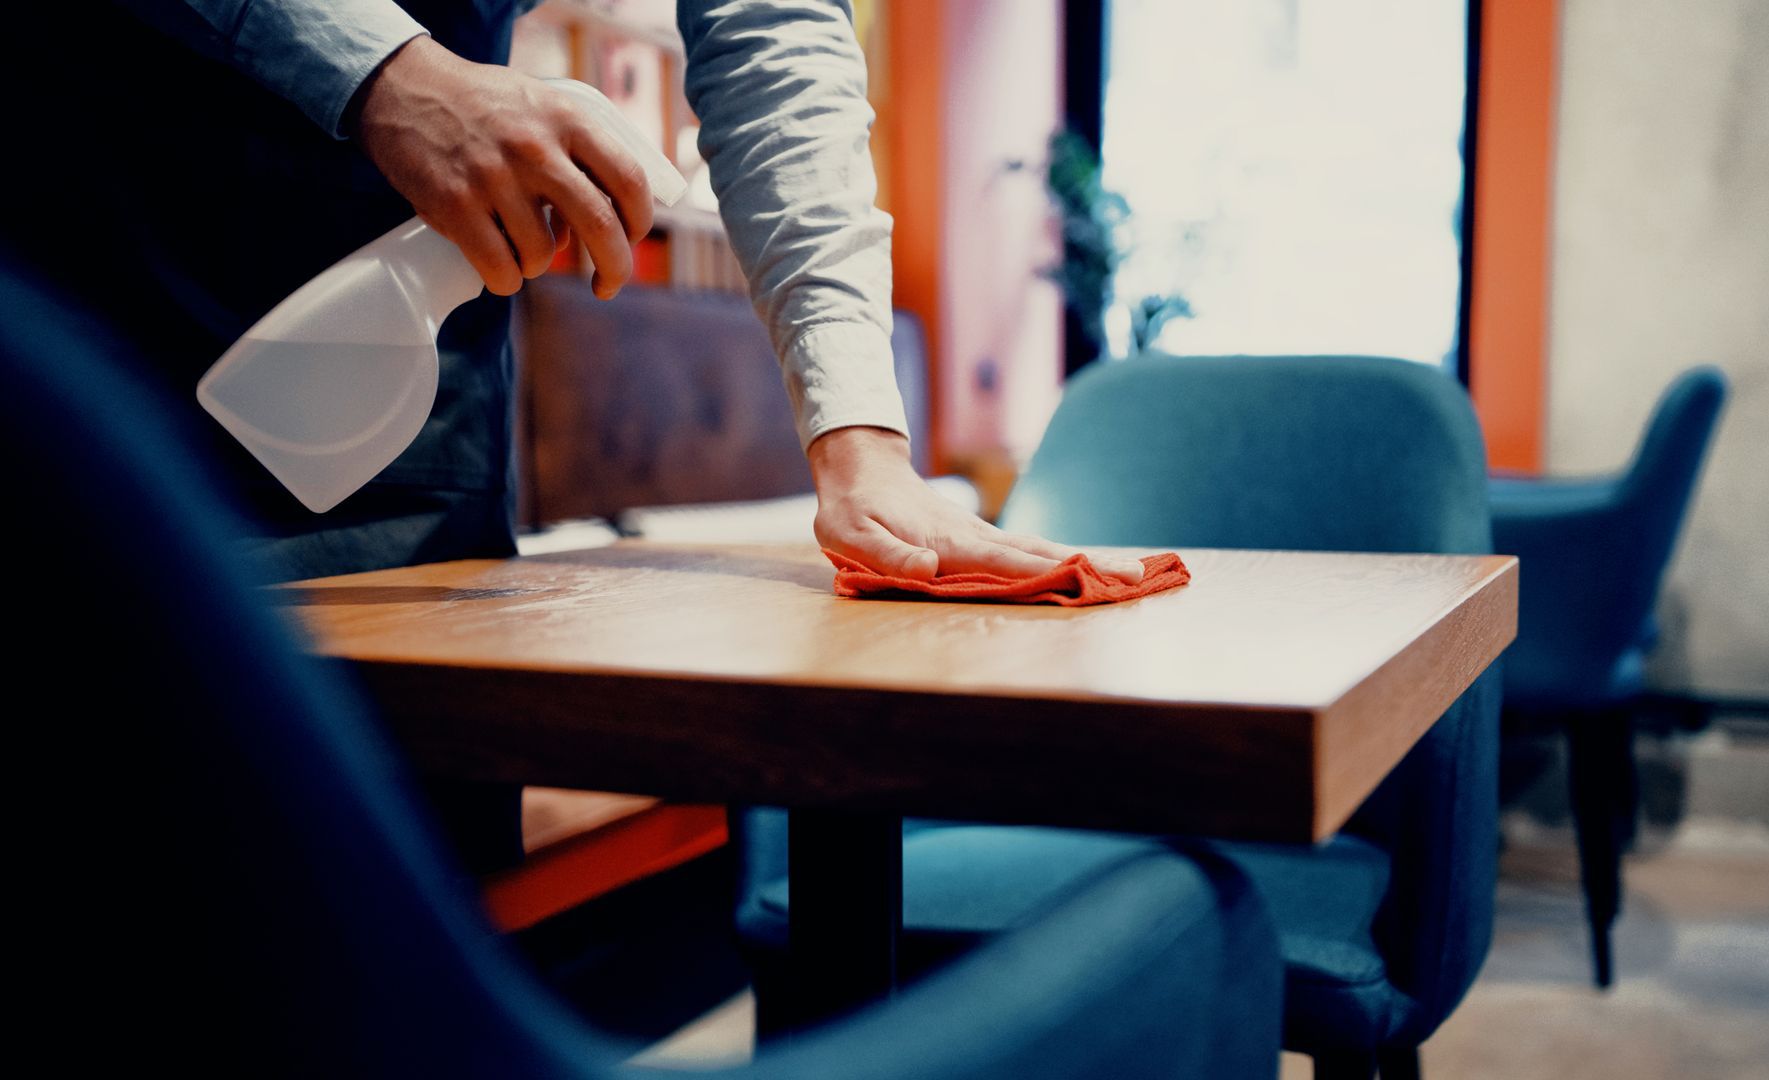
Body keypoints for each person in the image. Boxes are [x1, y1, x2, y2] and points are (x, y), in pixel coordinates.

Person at [5, 0, 1140, 870]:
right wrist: (387, 72)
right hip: (78, 270)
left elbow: (775, 32)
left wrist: (860, 435)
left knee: (403, 898)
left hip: (401, 356)